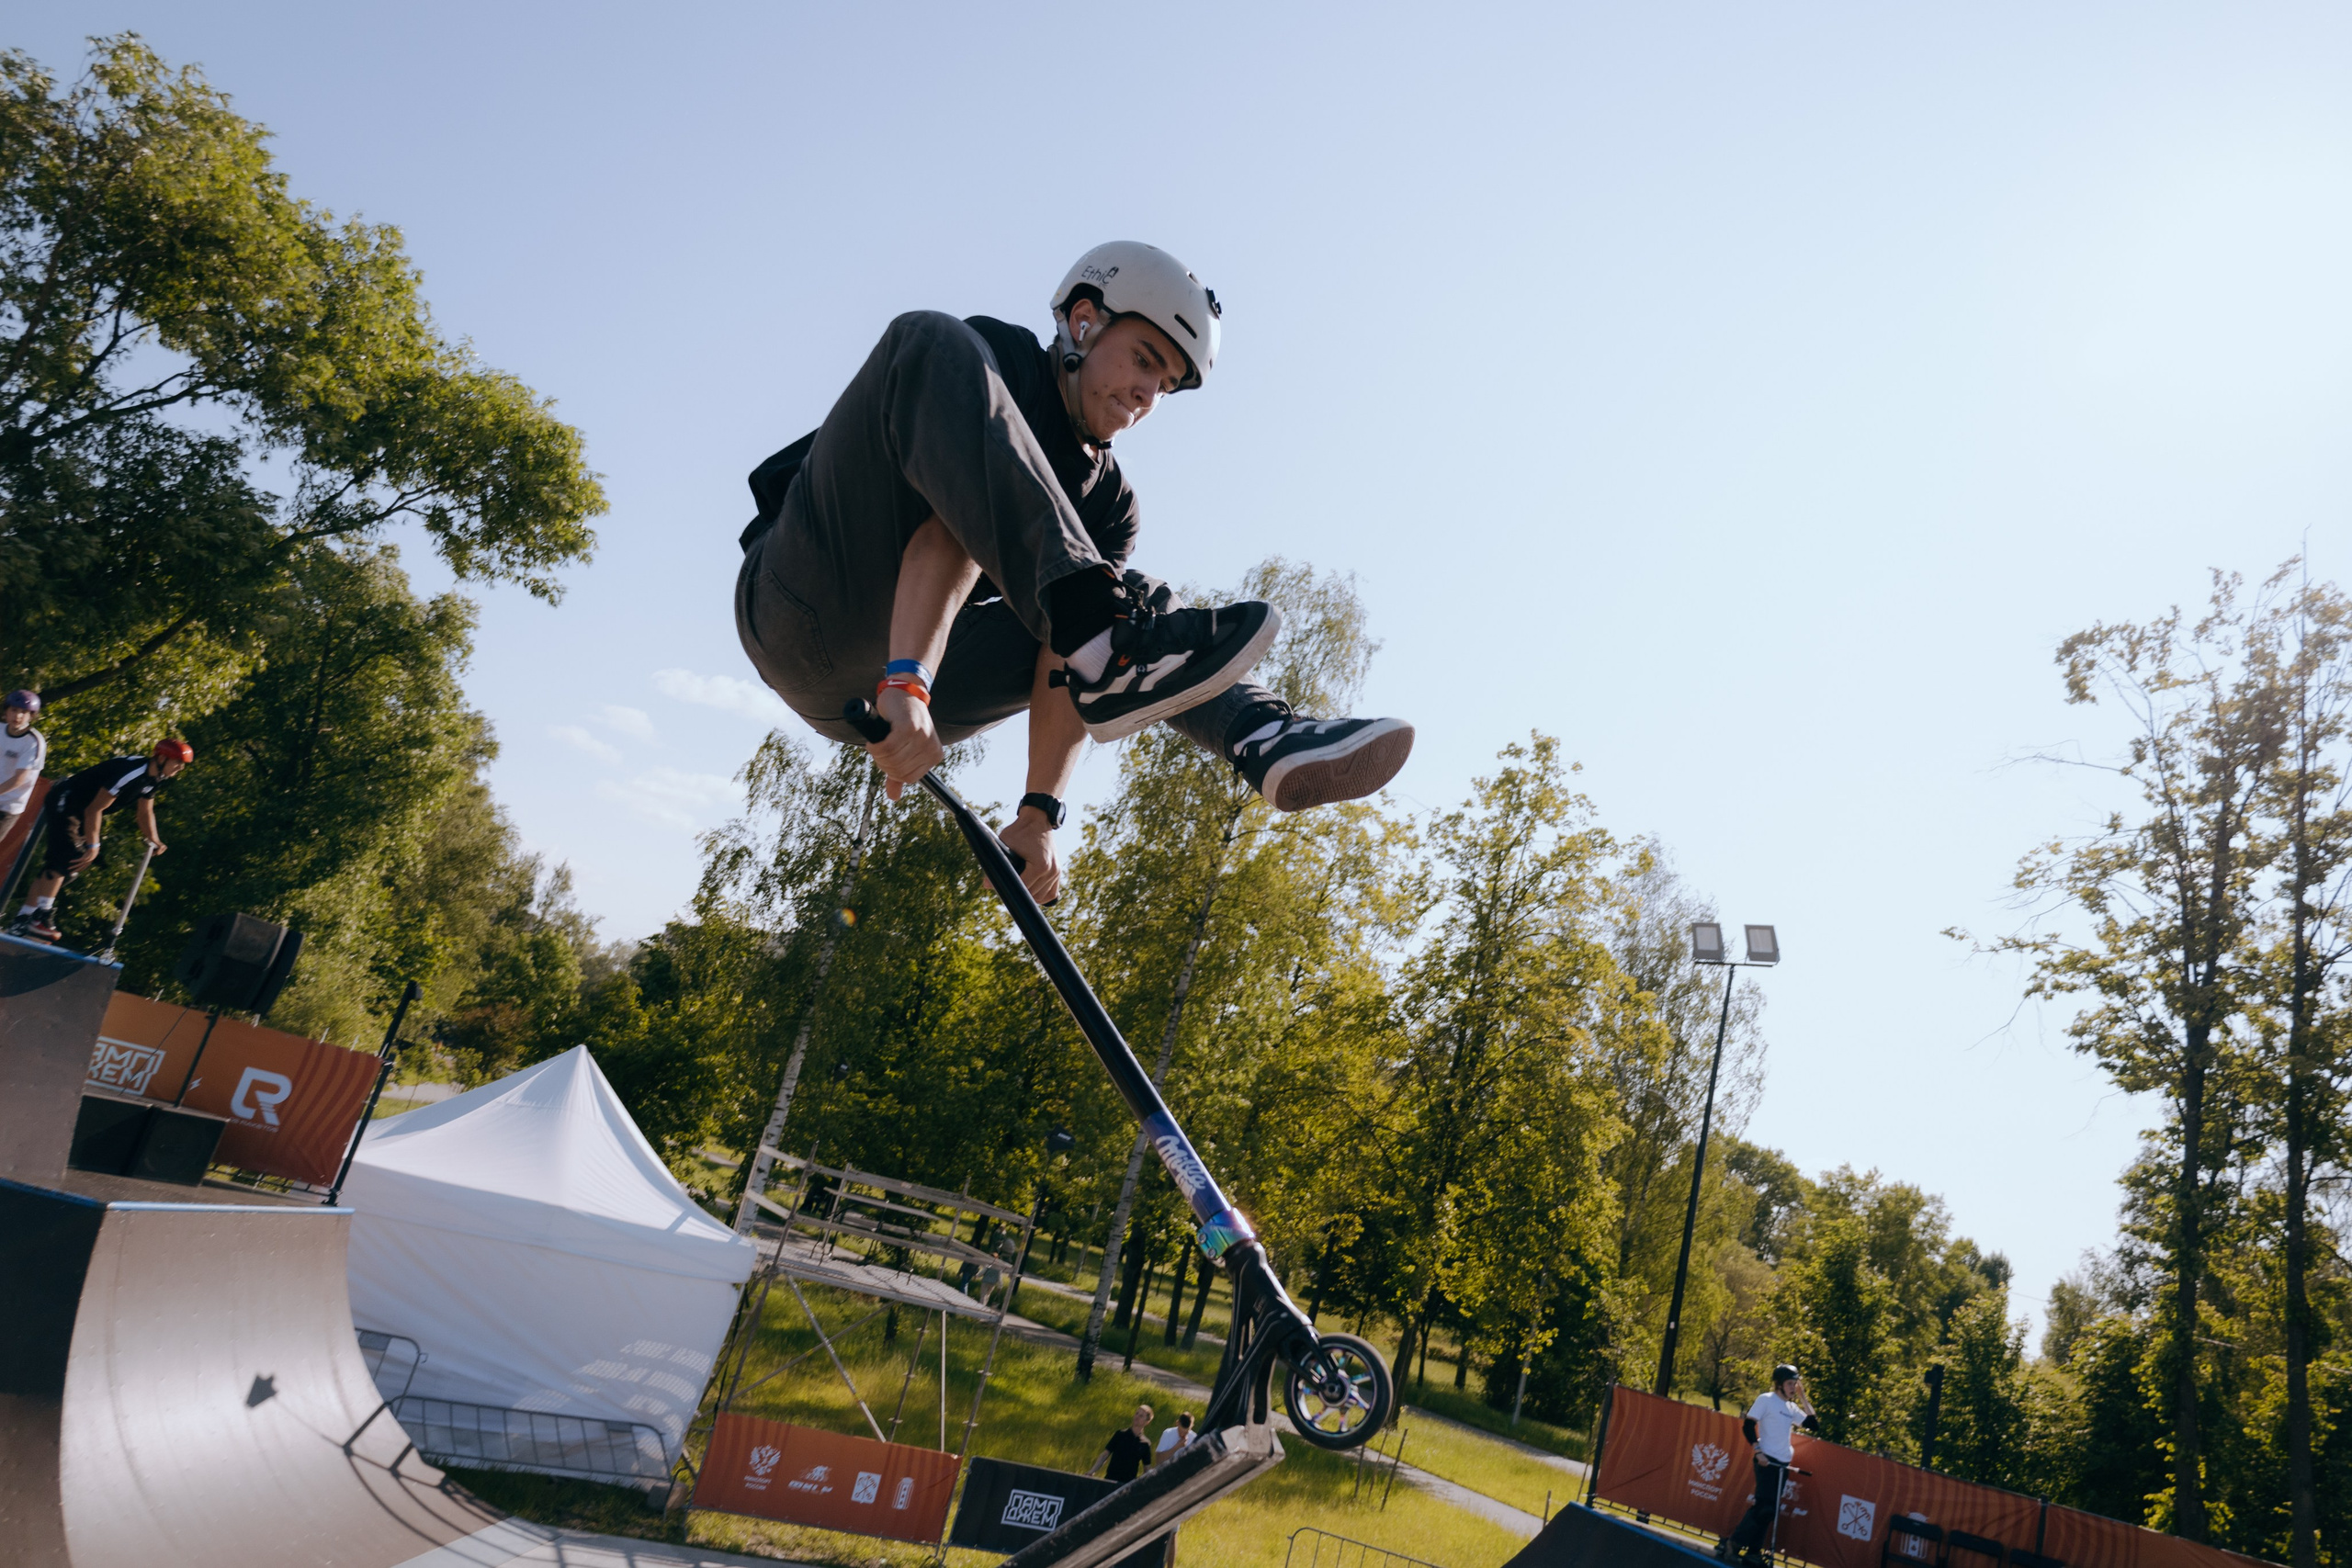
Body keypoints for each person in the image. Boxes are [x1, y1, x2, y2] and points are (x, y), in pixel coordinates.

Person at [734, 242, 1415, 903]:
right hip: (805, 601)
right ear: (1084, 323)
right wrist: (906, 682)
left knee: (1124, 602)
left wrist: (1038, 815)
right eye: (1143, 360)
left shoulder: (1112, 507)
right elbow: (942, 540)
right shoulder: (994, 365)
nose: (1146, 394)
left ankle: (1262, 735)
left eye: (1165, 385)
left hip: (924, 668)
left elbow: (1057, 657)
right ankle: (1101, 639)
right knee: (927, 338)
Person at [7, 739, 193, 943]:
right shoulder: (131, 774)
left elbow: (144, 811)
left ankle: (23, 919)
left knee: (67, 868)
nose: (180, 768)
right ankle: (42, 916)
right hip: (68, 799)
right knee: (68, 857)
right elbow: (94, 810)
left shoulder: (154, 778)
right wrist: (93, 846)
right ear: (161, 758)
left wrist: (155, 840)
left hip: (82, 810)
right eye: (177, 762)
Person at [1715, 1364, 1819, 1565]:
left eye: (1794, 1384)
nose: (1792, 1388)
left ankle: (1753, 1552)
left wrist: (1803, 1397)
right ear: (1779, 1384)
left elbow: (1814, 1425)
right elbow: (1748, 1425)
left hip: (1783, 1464)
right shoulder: (1766, 1400)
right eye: (1790, 1384)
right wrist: (1758, 1451)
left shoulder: (1791, 1408)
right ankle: (1733, 1544)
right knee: (1764, 1508)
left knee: (1769, 1510)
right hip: (1766, 1460)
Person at [0, 690, 47, 844]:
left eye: (24, 712)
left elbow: (18, 780)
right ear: (6, 710)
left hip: (7, 807)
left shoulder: (33, 742)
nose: (18, 716)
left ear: (31, 716)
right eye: (14, 710)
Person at [1088, 1402, 1156, 1485]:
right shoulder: (1120, 1434)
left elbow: (1147, 1469)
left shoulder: (1145, 1444)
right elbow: (1104, 1455)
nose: (1137, 1417)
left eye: (1141, 1416)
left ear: (1147, 1422)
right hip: (1109, 1481)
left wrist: (1143, 1485)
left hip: (1126, 1486)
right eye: (1137, 1413)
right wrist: (1092, 1471)